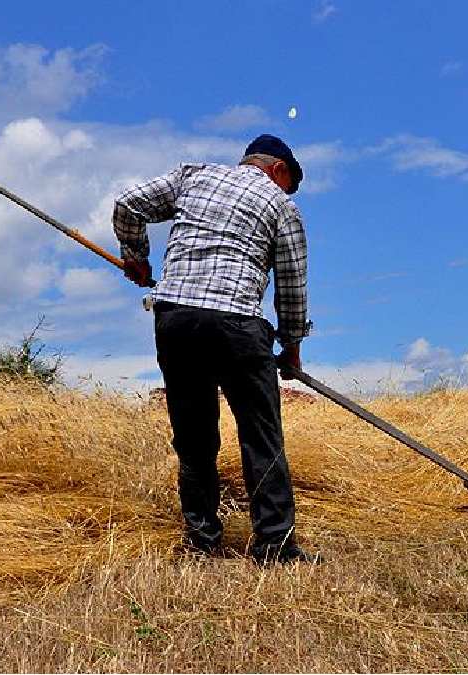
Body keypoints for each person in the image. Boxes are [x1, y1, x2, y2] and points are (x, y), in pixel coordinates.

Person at [112, 134, 316, 564]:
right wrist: (292, 346)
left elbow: (129, 203)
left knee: (194, 436)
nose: (285, 192)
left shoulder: (194, 176)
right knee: (261, 436)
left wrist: (136, 256)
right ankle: (275, 546)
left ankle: (202, 541)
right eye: (287, 183)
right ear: (278, 170)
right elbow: (292, 287)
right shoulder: (282, 207)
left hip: (177, 319)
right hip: (237, 324)